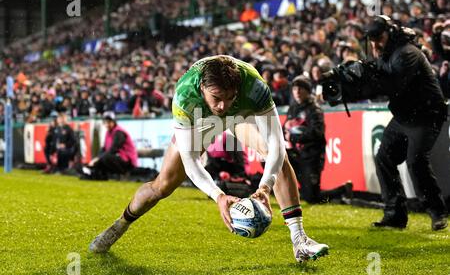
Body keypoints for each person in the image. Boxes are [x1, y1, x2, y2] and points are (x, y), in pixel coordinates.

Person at [89, 55, 329, 263]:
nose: (223, 105)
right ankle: (120, 225)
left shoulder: (254, 86)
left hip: (240, 115)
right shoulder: (185, 95)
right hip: (200, 120)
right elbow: (191, 160)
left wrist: (265, 187)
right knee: (162, 186)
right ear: (203, 88)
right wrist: (218, 195)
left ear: (238, 89)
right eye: (216, 97)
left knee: (276, 154)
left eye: (229, 97)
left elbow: (277, 143)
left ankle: (300, 240)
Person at [322, 15, 448, 231]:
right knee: (384, 158)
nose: (375, 43)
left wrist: (365, 74)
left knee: (415, 161)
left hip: (427, 114)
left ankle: (437, 212)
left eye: (378, 38)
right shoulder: (387, 53)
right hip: (404, 116)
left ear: (389, 32)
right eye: (371, 39)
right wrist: (352, 85)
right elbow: (381, 82)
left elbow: (392, 86)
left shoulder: (407, 53)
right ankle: (395, 215)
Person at [283, 76, 353, 204]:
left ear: (308, 91)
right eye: (294, 89)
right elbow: (285, 129)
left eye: (300, 89)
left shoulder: (314, 109)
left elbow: (317, 132)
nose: (297, 92)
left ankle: (342, 190)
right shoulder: (292, 108)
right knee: (271, 158)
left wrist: (293, 137)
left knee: (311, 197)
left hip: (311, 156)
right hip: (296, 154)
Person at [81, 111, 138, 180]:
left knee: (105, 158)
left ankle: (121, 174)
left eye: (109, 122)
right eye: (105, 122)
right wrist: (96, 159)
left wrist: (98, 159)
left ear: (114, 122)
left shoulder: (119, 132)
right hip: (118, 159)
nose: (107, 124)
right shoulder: (108, 132)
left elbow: (113, 149)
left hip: (128, 163)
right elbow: (104, 148)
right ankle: (93, 173)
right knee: (99, 160)